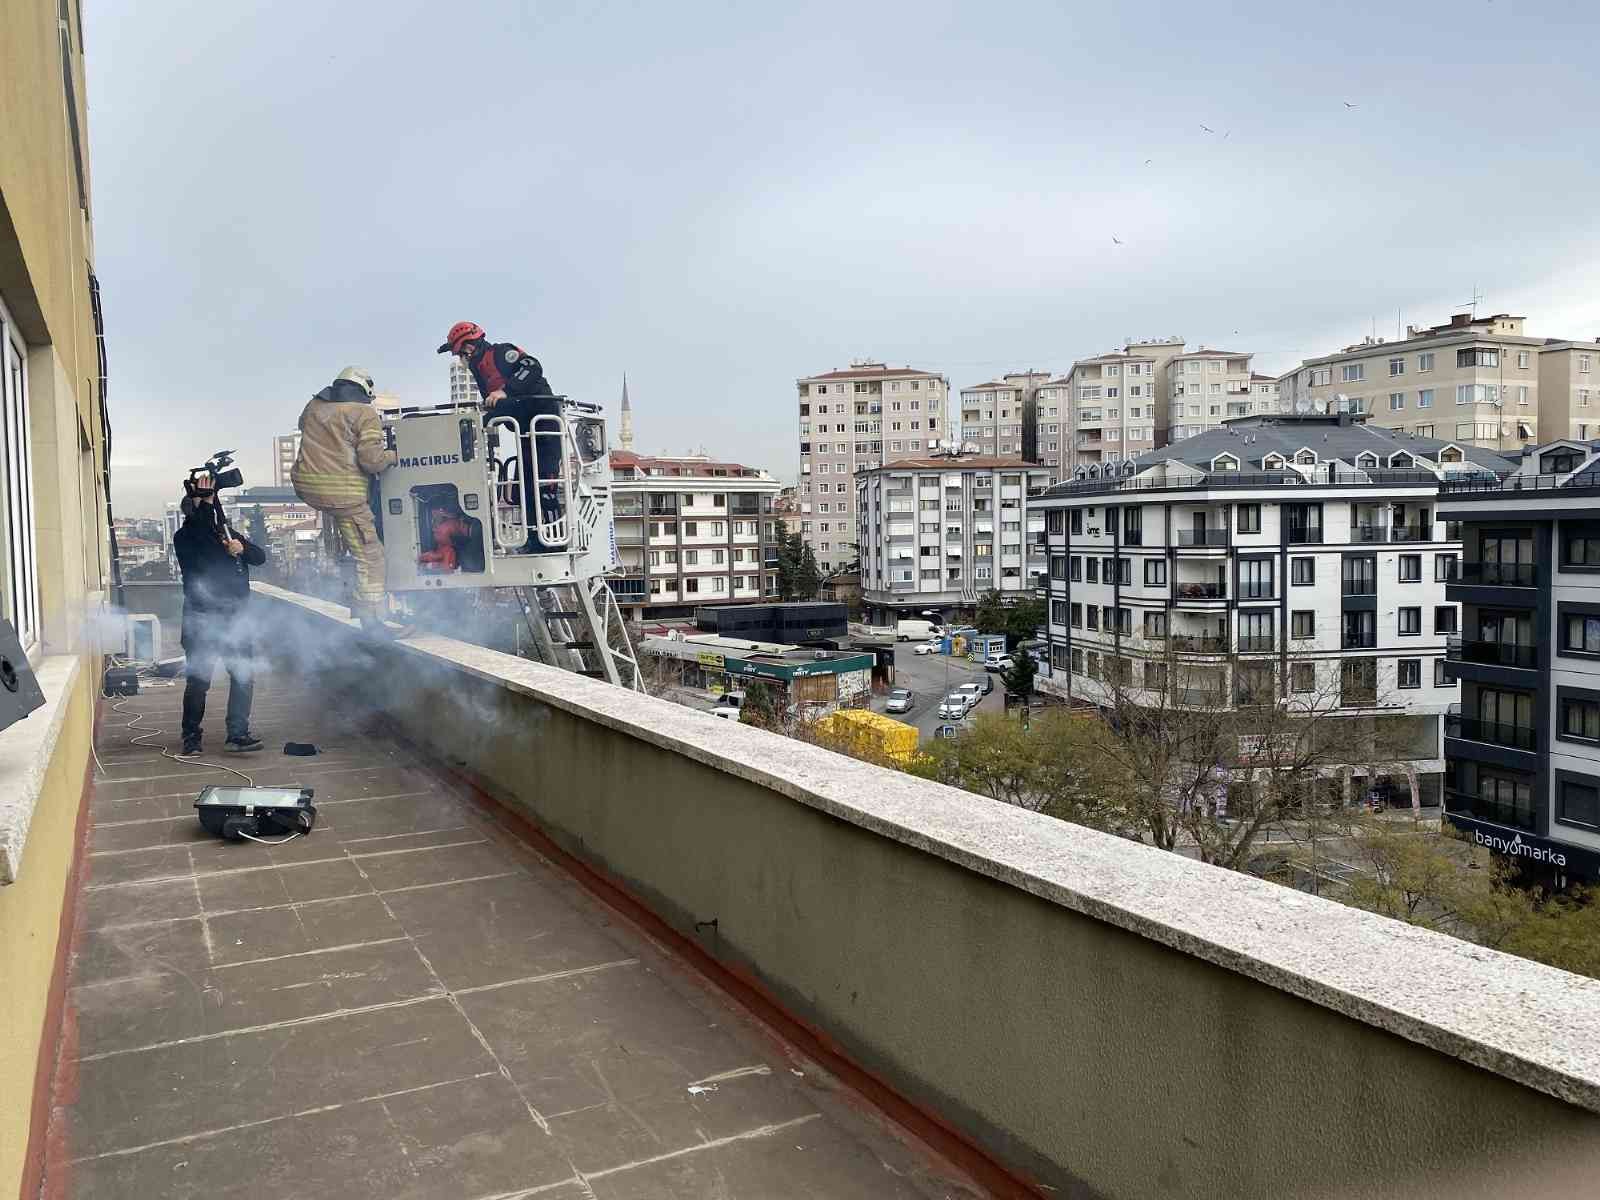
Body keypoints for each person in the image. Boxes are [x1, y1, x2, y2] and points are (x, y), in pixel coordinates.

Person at [436, 321, 562, 551]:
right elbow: (497, 405)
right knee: (523, 489)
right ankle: (533, 540)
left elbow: (532, 367)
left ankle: (553, 544)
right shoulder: (480, 370)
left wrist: (506, 391)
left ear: (471, 346)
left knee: (544, 489)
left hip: (545, 428)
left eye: (461, 353)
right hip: (525, 432)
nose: (461, 359)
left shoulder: (501, 354)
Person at [291, 366, 398, 634]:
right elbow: (372, 462)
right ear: (364, 389)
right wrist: (393, 456)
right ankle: (372, 623)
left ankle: (360, 603)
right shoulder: (364, 413)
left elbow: (304, 425)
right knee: (371, 556)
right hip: (343, 495)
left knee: (351, 541)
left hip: (308, 488)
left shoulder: (314, 406)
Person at [173, 475, 266, 756]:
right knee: (199, 680)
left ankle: (237, 734)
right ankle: (191, 738)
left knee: (242, 675)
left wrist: (242, 548)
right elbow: (202, 540)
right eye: (203, 504)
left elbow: (260, 557)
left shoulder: (226, 534)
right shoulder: (185, 538)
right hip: (201, 619)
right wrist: (205, 502)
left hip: (235, 619)